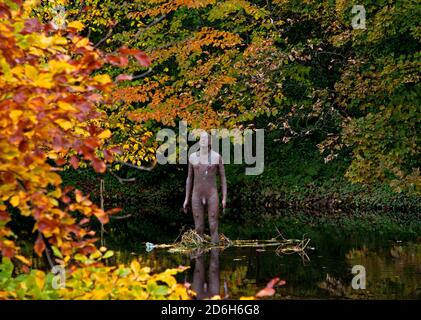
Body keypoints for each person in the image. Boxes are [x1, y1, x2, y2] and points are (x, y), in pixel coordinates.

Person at [183, 132, 227, 244]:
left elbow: (223, 178)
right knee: (198, 227)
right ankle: (199, 255)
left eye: (205, 138)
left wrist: (224, 198)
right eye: (201, 139)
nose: (203, 140)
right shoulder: (192, 157)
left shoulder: (216, 157)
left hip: (212, 194)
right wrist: (186, 198)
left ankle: (215, 253)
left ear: (210, 141)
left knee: (213, 225)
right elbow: (189, 178)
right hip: (196, 195)